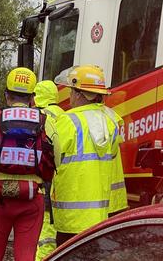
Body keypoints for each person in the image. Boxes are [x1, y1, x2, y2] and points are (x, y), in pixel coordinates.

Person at [0, 68, 59, 261]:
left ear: (6, 95)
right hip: (33, 197)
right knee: (26, 256)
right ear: (32, 98)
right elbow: (58, 159)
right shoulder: (46, 121)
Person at [52, 65, 123, 246]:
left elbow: (51, 157)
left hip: (71, 217)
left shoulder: (67, 121)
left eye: (71, 91)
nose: (70, 96)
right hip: (100, 216)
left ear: (79, 93)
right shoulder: (111, 120)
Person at [33, 81, 64, 261]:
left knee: (44, 232)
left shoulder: (37, 116)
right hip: (59, 178)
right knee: (53, 228)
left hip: (41, 178)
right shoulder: (65, 115)